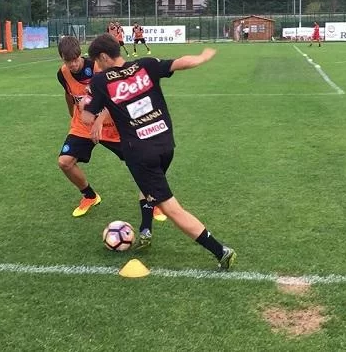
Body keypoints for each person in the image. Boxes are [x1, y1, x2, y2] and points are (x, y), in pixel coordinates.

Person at [81, 34, 236, 270]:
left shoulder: (100, 81)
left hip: (140, 153)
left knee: (171, 209)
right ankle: (146, 229)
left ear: (103, 56)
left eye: (96, 61)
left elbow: (86, 117)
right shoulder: (145, 65)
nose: (97, 67)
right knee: (148, 187)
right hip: (165, 144)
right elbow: (180, 63)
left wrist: (85, 102)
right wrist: (202, 57)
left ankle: (220, 251)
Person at [57, 35, 166, 222]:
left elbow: (114, 97)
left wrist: (99, 120)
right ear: (62, 59)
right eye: (68, 61)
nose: (72, 64)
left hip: (112, 125)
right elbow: (69, 95)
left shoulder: (98, 67)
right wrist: (72, 115)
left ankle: (152, 200)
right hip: (83, 125)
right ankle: (90, 196)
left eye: (75, 59)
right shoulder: (63, 74)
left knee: (141, 161)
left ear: (80, 54)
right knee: (64, 162)